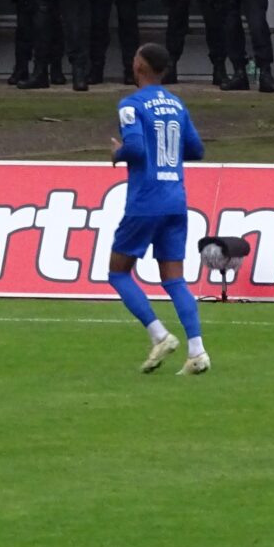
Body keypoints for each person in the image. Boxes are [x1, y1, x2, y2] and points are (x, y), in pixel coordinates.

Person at [106, 42, 210, 375]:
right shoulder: (177, 104)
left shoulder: (130, 104)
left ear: (140, 66)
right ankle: (197, 351)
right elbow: (196, 149)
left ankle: (159, 334)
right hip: (175, 200)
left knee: (118, 272)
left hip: (145, 200)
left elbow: (134, 148)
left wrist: (118, 153)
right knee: (174, 279)